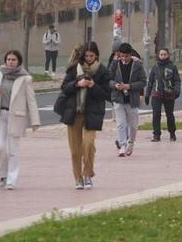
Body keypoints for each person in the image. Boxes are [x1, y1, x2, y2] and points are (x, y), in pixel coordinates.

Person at [57, 41, 111, 190]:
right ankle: (78, 179)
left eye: (91, 56)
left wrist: (93, 86)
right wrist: (77, 84)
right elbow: (64, 88)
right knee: (75, 150)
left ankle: (87, 174)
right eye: (86, 56)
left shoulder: (102, 71)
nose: (88, 58)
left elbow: (108, 95)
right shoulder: (74, 69)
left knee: (88, 144)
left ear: (97, 55)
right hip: (74, 114)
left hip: (92, 113)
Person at [0, 50, 41, 189]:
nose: (10, 62)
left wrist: (35, 120)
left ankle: (11, 179)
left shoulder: (25, 78)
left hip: (16, 116)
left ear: (19, 62)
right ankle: (3, 174)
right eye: (8, 59)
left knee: (13, 150)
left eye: (13, 60)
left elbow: (31, 100)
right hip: (1, 115)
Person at [109, 42, 147, 156]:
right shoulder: (115, 64)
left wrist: (129, 86)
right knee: (121, 124)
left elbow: (143, 82)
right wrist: (115, 85)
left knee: (133, 125)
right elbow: (108, 79)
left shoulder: (137, 65)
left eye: (126, 56)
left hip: (132, 99)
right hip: (118, 98)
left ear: (131, 55)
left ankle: (131, 142)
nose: (124, 59)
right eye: (122, 56)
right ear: (119, 55)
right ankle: (122, 145)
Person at [144, 48, 181, 142]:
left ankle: (172, 133)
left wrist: (177, 90)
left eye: (165, 54)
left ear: (168, 55)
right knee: (156, 114)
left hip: (169, 94)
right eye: (161, 54)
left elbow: (177, 80)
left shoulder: (172, 67)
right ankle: (156, 134)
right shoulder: (155, 67)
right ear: (158, 56)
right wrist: (147, 95)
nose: (163, 56)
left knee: (170, 115)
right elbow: (150, 82)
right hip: (156, 94)